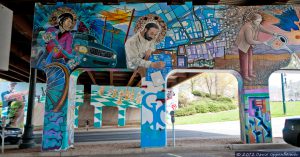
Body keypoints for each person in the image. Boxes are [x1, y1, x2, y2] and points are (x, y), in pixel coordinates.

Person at [236, 13, 277, 82]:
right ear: (252, 20)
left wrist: (272, 33)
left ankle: (250, 73)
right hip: (243, 45)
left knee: (250, 59)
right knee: (245, 60)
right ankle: (245, 75)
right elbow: (249, 40)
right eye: (257, 21)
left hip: (249, 45)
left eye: (260, 21)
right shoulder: (248, 27)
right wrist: (261, 42)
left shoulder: (256, 24)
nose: (259, 23)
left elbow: (263, 29)